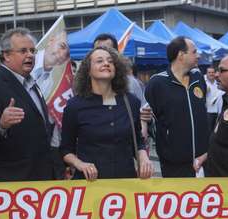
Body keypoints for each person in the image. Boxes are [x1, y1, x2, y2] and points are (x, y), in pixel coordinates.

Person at [0, 28, 54, 182]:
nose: (30, 55)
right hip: (10, 182)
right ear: (6, 55)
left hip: (39, 178)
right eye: (23, 51)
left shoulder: (32, 83)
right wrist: (1, 125)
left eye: (32, 50)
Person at [60, 46, 153, 180]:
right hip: (90, 185)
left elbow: (137, 141)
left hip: (125, 183)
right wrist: (80, 164)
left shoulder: (131, 102)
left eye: (110, 61)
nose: (106, 63)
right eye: (99, 61)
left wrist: (143, 158)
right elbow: (65, 150)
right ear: (88, 71)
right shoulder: (75, 105)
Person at [145, 36, 209, 177]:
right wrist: (167, 146)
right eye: (194, 52)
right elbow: (148, 120)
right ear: (181, 55)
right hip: (173, 164)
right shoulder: (157, 83)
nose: (198, 56)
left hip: (203, 161)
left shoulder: (198, 78)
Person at [31, 29, 70, 180]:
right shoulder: (27, 64)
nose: (61, 55)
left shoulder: (51, 82)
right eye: (61, 46)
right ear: (51, 40)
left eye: (66, 54)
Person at [205, 66, 224, 133]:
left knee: (217, 131)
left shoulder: (218, 83)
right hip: (208, 111)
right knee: (209, 131)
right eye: (209, 72)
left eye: (212, 72)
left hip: (219, 111)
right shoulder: (204, 83)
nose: (211, 74)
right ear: (206, 74)